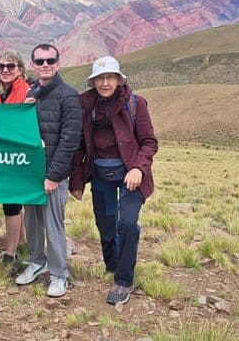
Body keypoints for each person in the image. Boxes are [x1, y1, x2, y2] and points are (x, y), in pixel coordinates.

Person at [69, 56, 158, 305]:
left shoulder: (135, 104)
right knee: (106, 226)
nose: (105, 82)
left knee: (127, 224)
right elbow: (79, 145)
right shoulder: (85, 107)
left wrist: (138, 169)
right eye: (100, 78)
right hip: (101, 176)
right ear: (93, 81)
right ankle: (114, 265)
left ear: (118, 79)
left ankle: (123, 281)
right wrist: (76, 181)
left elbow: (150, 142)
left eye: (109, 77)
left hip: (130, 176)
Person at [15, 44, 81, 298]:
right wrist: (25, 109)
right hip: (31, 172)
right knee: (32, 222)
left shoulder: (68, 96)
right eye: (40, 61)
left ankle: (59, 273)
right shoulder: (33, 94)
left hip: (53, 174)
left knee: (53, 225)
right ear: (32, 65)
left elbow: (69, 140)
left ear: (58, 63)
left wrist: (54, 176)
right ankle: (37, 261)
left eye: (50, 60)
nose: (45, 65)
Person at [0, 50, 30, 264]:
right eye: (1, 66)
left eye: (10, 66)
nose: (5, 70)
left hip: (18, 156)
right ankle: (22, 241)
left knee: (11, 202)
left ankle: (11, 252)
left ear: (20, 70)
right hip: (0, 154)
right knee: (15, 200)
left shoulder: (27, 90)